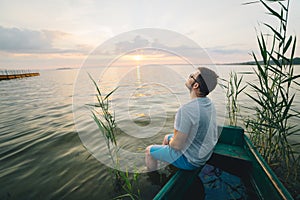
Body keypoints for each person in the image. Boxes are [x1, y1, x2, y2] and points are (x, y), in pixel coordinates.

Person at [145, 67, 219, 171]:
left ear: (196, 85)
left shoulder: (186, 110)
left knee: (149, 151)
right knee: (167, 137)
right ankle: (169, 165)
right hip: (205, 154)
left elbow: (176, 146)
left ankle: (153, 178)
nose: (188, 77)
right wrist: (170, 140)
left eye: (191, 76)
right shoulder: (209, 103)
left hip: (192, 160)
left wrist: (172, 141)